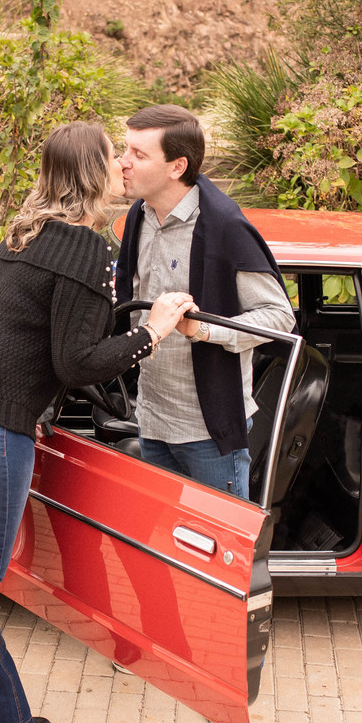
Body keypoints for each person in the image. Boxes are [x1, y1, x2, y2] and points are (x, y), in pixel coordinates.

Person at [0, 121, 195, 723]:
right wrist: (151, 331)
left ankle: (2, 714)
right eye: (116, 158)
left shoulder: (23, 233)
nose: (125, 165)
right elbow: (76, 363)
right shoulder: (88, 250)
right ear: (95, 173)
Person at [115, 105, 295, 499]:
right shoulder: (139, 216)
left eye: (138, 155)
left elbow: (280, 318)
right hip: (151, 419)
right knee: (165, 551)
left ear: (177, 166)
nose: (122, 163)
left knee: (219, 555)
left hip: (208, 434)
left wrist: (202, 329)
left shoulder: (225, 227)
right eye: (123, 149)